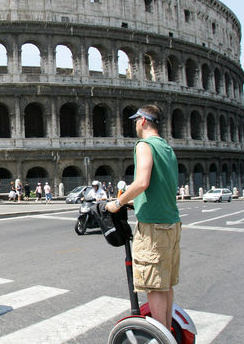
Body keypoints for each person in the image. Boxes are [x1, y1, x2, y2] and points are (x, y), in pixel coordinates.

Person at [106, 105, 181, 331]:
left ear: (143, 121)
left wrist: (117, 203)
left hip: (153, 227)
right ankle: (167, 333)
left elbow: (142, 182)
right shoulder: (167, 148)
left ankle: (159, 336)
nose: (135, 125)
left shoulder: (144, 145)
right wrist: (133, 201)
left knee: (154, 286)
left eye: (136, 120)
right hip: (172, 223)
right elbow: (160, 187)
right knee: (165, 284)